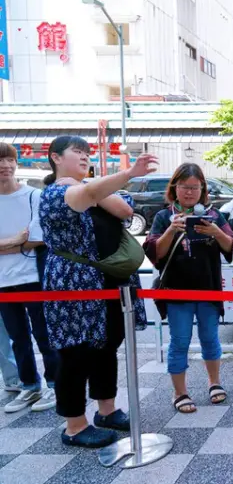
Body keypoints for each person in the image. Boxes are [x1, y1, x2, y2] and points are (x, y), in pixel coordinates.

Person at [39, 136, 157, 448]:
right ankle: (74, 426)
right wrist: (127, 174)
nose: (84, 157)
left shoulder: (90, 187)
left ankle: (107, 410)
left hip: (108, 279)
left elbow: (123, 209)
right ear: (55, 157)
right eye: (76, 151)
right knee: (74, 351)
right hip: (74, 281)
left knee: (107, 345)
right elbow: (88, 195)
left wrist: (91, 186)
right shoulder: (55, 194)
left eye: (87, 152)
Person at [144, 163, 233, 413]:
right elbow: (155, 254)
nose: (189, 192)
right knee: (179, 341)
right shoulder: (164, 217)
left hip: (208, 288)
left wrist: (215, 231)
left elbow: (230, 246)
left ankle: (214, 382)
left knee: (210, 338)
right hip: (177, 291)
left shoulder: (214, 215)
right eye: (184, 186)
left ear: (203, 189)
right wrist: (171, 231)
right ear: (174, 188)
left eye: (195, 187)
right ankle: (179, 392)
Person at [0, 143, 59, 413]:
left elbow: (39, 237)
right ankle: (29, 385)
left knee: (44, 333)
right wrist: (16, 240)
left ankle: (54, 384)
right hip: (3, 280)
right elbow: (24, 239)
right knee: (17, 337)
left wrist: (11, 244)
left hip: (32, 275)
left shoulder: (34, 196)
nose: (5, 165)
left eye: (9, 159)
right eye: (1, 160)